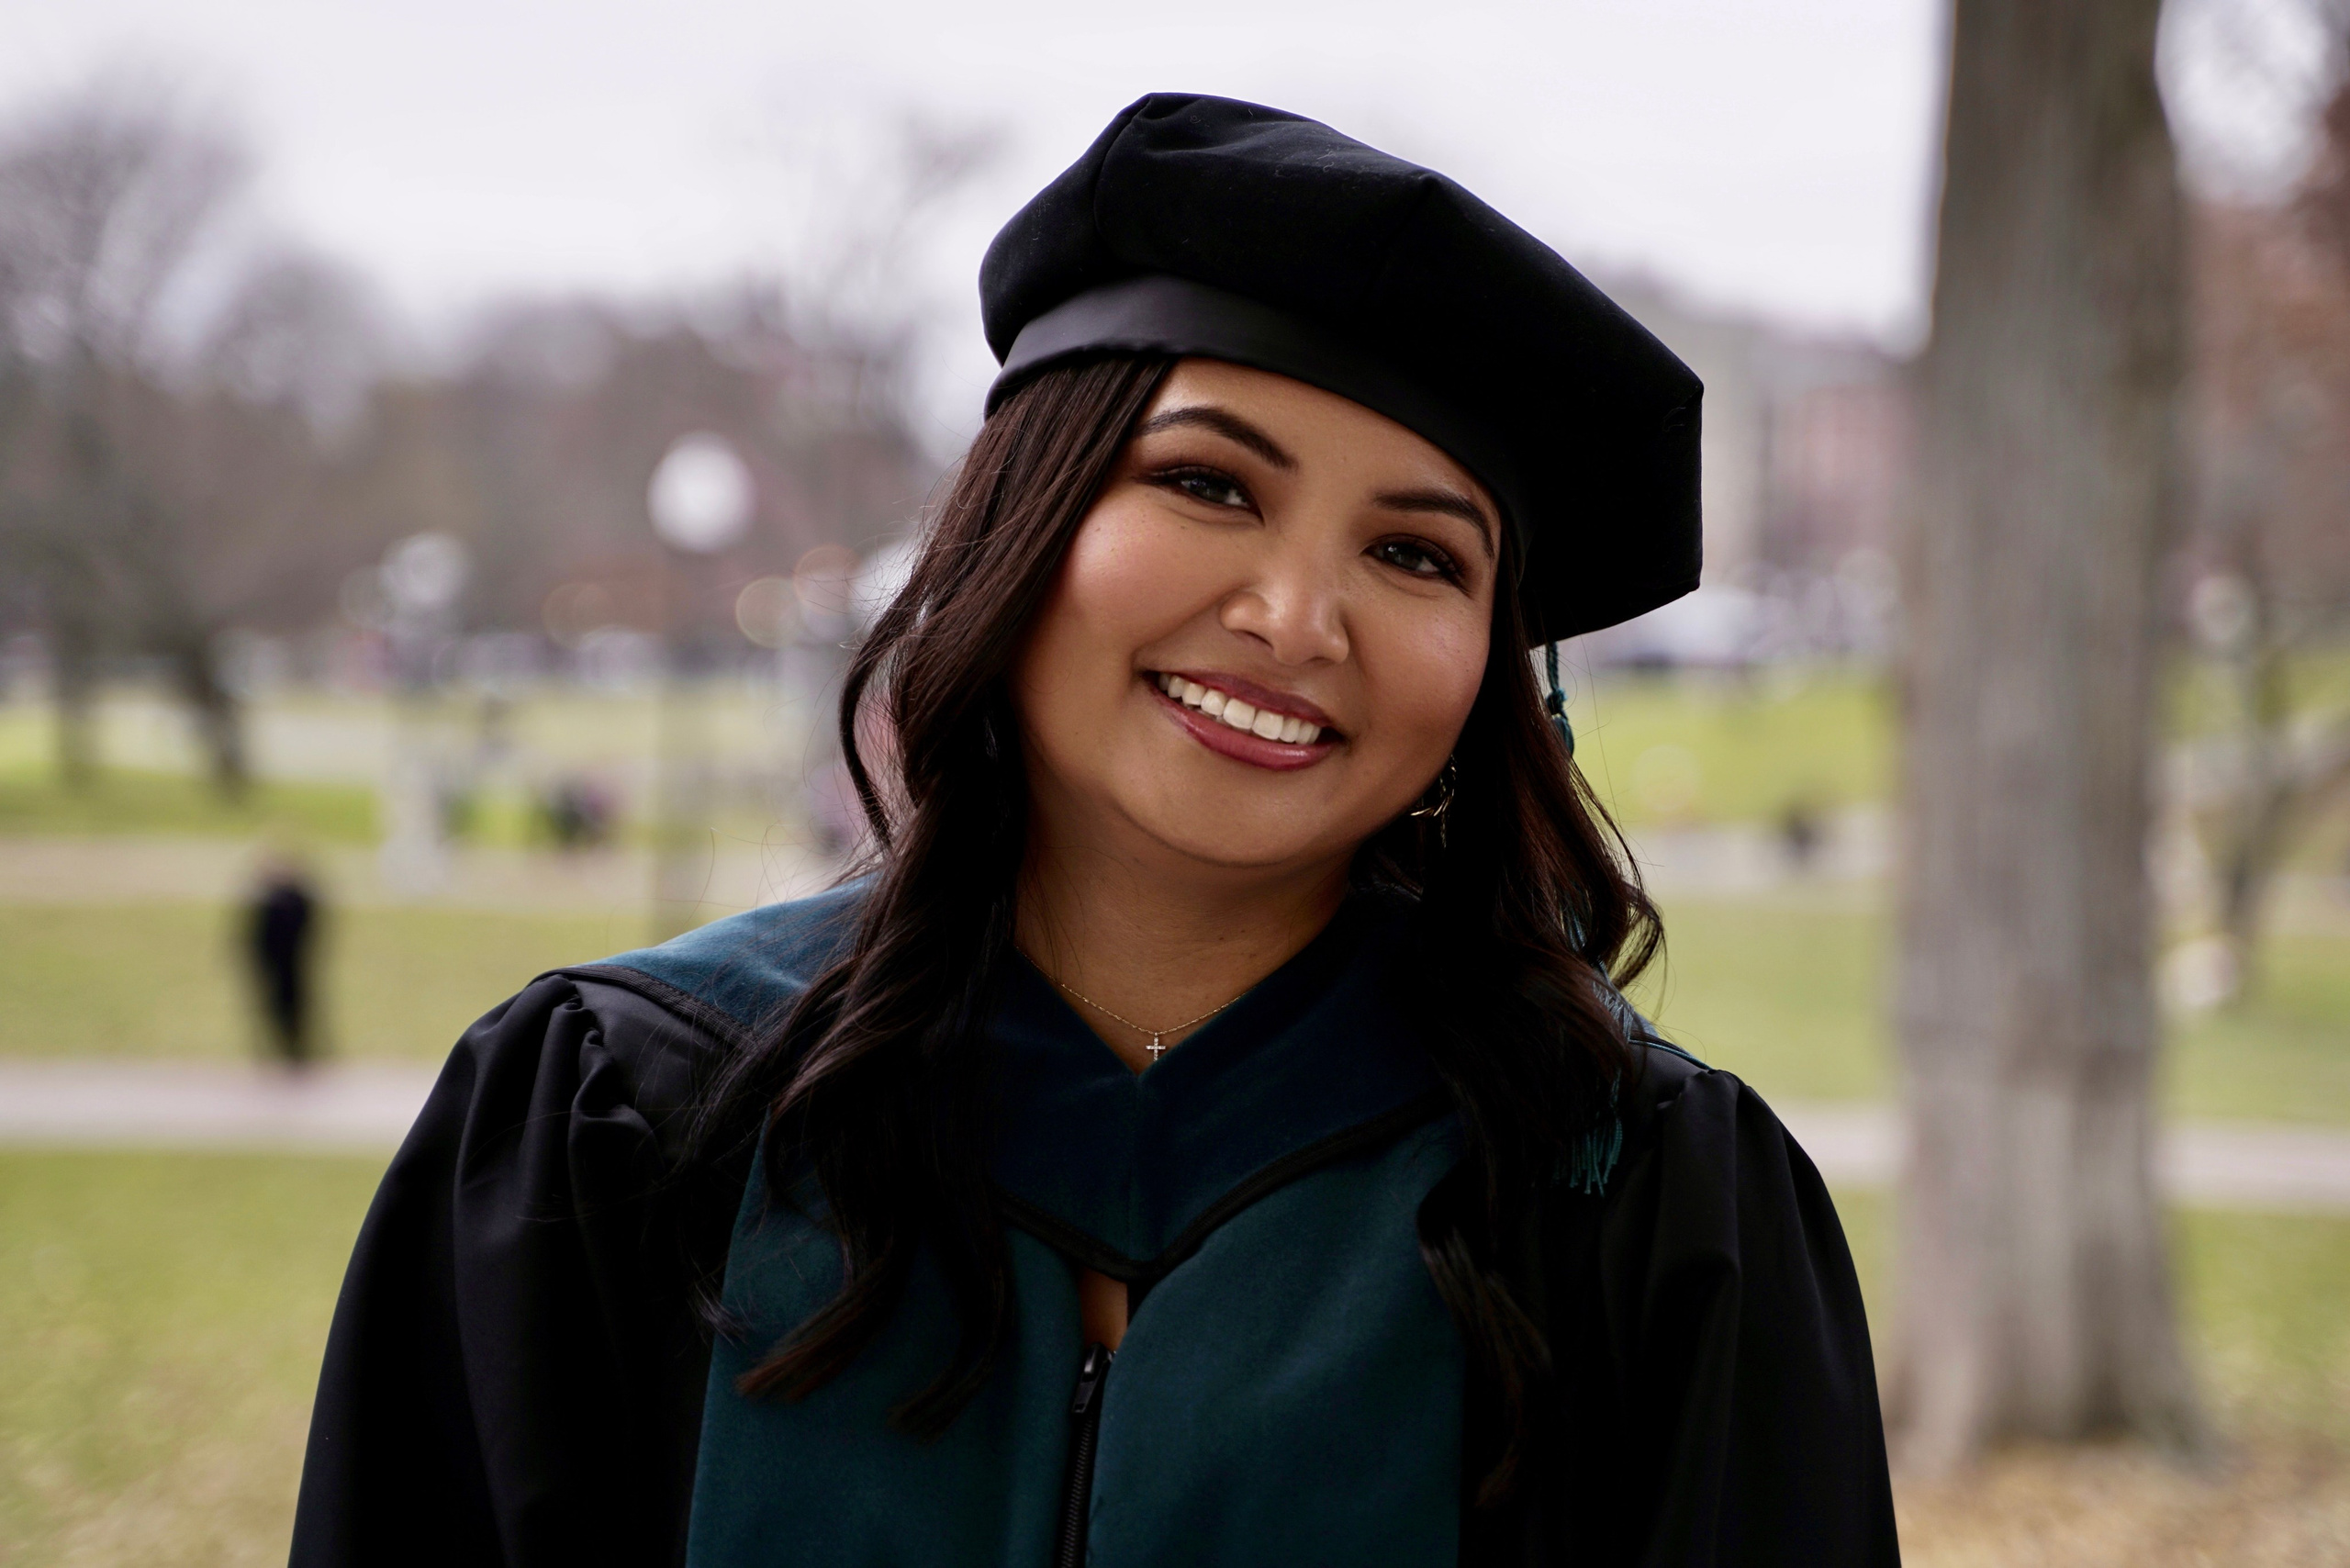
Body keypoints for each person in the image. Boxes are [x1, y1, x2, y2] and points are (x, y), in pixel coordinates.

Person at [291, 95, 1897, 1566]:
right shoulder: (624, 1121)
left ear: (1494, 671)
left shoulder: (1635, 1205)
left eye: (1417, 554)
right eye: (1207, 484)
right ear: (1027, 519)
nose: (1294, 614)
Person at [248, 850, 320, 1069]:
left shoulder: (290, 901)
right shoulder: (285, 902)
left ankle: (295, 1052)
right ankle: (287, 1052)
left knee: (293, 1009)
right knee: (279, 1010)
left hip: (290, 968)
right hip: (281, 968)